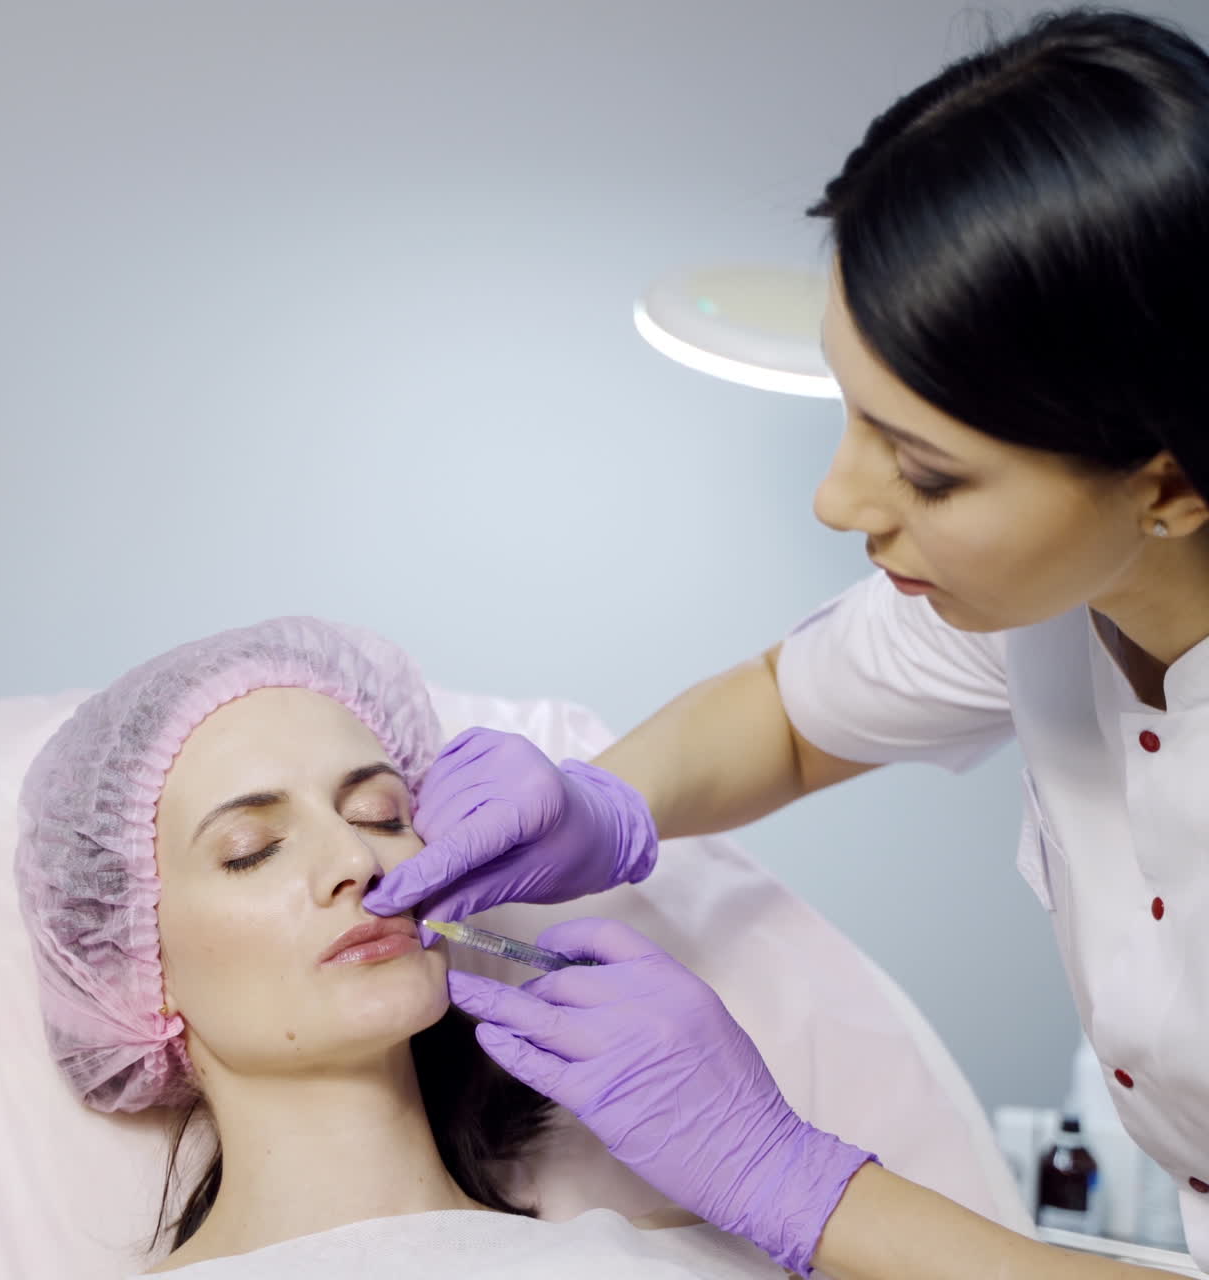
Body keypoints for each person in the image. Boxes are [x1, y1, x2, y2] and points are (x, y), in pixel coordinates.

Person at [362, 8, 1209, 1278]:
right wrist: (603, 801)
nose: (838, 500)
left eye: (924, 472)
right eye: (849, 408)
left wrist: (794, 1181)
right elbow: (786, 715)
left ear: (1167, 486)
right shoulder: (1043, 594)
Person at [13, 617, 791, 1277]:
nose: (358, 861)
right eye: (252, 848)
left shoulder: (684, 1261)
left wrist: (789, 1179)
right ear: (130, 978)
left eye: (382, 815)